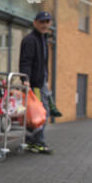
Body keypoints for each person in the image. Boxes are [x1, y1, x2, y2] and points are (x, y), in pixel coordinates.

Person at [19, 11, 56, 154]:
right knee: (41, 113)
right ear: (35, 23)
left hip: (41, 82)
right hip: (35, 84)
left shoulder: (43, 39)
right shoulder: (30, 40)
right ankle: (38, 142)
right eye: (42, 22)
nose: (44, 25)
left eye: (47, 22)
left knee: (36, 113)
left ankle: (31, 141)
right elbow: (25, 62)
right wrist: (26, 80)